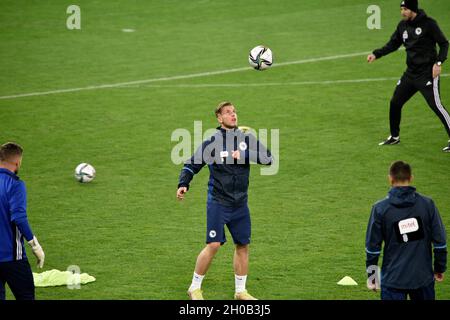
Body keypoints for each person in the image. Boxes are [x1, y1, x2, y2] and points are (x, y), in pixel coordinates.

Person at [176, 101, 273, 300]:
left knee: (242, 244)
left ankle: (240, 291)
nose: (233, 115)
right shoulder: (212, 143)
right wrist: (183, 183)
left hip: (240, 204)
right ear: (219, 118)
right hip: (219, 202)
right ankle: (194, 288)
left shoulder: (246, 138)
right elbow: (192, 164)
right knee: (213, 244)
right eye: (228, 112)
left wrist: (243, 155)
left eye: (234, 111)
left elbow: (268, 158)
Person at [367, 0, 450, 152]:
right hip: (410, 74)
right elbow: (393, 44)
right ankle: (394, 137)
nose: (402, 12)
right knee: (395, 102)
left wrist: (438, 63)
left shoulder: (429, 24)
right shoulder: (402, 26)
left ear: (413, 9)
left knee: (436, 106)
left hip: (427, 73)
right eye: (401, 9)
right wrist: (376, 54)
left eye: (405, 9)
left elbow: (444, 43)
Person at [365, 160, 447, 300]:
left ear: (390, 179)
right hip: (423, 278)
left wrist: (373, 278)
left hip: (393, 279)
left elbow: (373, 248)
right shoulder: (428, 205)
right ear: (411, 178)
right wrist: (439, 268)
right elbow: (440, 243)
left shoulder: (380, 209)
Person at [0, 142, 45, 300]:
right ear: (17, 162)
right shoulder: (15, 185)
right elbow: (18, 217)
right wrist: (35, 245)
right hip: (13, 258)